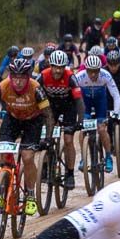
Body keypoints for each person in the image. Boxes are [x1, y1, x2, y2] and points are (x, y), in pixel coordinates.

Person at [0, 57, 50, 216]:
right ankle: (1, 189)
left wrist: (47, 138)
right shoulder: (3, 86)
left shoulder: (36, 88)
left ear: (28, 77)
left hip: (32, 122)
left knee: (27, 157)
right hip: (12, 120)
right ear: (10, 76)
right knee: (3, 154)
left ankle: (30, 194)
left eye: (22, 78)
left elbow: (48, 115)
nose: (18, 82)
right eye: (15, 77)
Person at [39, 50, 85, 191]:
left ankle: (70, 174)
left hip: (68, 107)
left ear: (64, 66)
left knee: (68, 139)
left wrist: (80, 121)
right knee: (45, 138)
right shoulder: (43, 76)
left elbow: (79, 101)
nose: (58, 70)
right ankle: (46, 166)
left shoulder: (71, 77)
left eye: (61, 67)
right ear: (50, 65)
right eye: (55, 67)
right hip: (51, 107)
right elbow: (35, 96)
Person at [72, 54, 120, 173]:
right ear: (86, 69)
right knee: (83, 128)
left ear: (100, 69)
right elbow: (72, 98)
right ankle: (84, 158)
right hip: (86, 104)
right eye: (90, 71)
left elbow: (116, 95)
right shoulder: (79, 77)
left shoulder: (106, 75)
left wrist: (115, 112)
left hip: (100, 102)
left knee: (102, 129)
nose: (93, 74)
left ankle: (108, 156)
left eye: (96, 71)